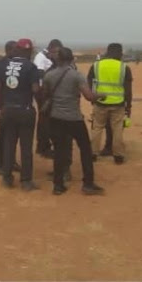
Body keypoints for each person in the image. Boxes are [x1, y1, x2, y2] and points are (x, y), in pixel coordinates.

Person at [42, 47, 105, 196]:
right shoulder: (77, 76)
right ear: (71, 59)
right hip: (74, 118)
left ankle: (58, 185)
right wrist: (101, 95)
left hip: (56, 117)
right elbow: (89, 96)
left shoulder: (49, 76)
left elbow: (45, 94)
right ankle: (88, 183)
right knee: (85, 149)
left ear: (58, 59)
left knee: (59, 151)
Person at [0, 38, 40, 191]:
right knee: (26, 147)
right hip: (25, 110)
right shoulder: (31, 67)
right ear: (28, 51)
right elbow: (35, 90)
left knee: (8, 144)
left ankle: (7, 178)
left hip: (8, 110)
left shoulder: (3, 66)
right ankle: (26, 181)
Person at [87, 43, 133, 165]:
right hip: (118, 103)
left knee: (97, 128)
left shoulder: (96, 65)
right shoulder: (124, 67)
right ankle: (118, 156)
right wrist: (129, 106)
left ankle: (93, 153)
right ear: (119, 52)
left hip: (100, 102)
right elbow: (128, 89)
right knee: (117, 129)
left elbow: (89, 83)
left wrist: (93, 98)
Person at [0, 40, 20, 175]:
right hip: (3, 106)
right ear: (8, 50)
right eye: (15, 49)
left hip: (17, 106)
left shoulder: (20, 65)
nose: (18, 52)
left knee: (14, 135)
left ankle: (11, 161)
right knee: (3, 135)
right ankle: (1, 164)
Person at [33, 39, 64, 158]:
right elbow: (39, 74)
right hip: (42, 91)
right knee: (45, 119)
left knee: (45, 119)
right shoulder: (41, 57)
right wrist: (43, 92)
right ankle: (43, 146)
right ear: (51, 49)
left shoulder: (48, 57)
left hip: (47, 90)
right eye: (56, 52)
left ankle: (42, 145)